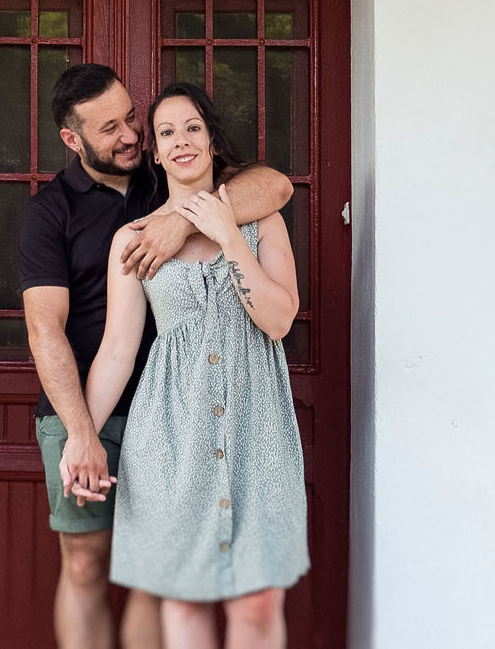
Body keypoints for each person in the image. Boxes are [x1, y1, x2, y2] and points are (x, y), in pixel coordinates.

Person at [20, 64, 294, 649]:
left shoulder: (165, 178)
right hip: (102, 404)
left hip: (198, 413)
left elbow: (274, 187)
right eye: (113, 127)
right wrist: (79, 434)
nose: (134, 137)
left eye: (132, 120)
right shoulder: (52, 211)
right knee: (91, 565)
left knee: (171, 584)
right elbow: (57, 333)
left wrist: (182, 220)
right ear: (73, 139)